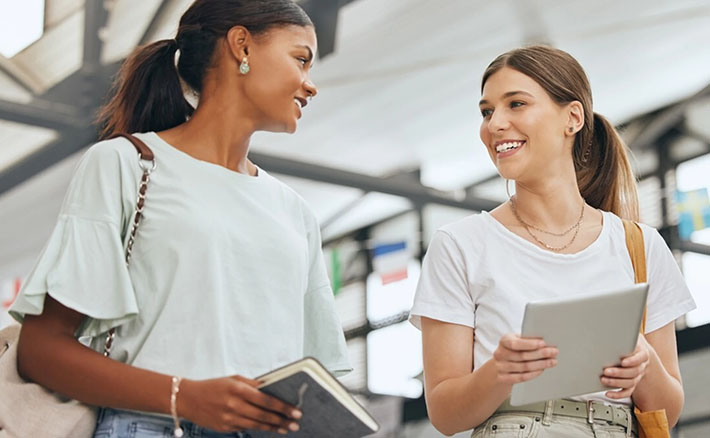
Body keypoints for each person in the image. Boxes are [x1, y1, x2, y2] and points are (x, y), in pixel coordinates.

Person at [9, 1, 351, 437]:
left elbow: (316, 378)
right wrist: (184, 396)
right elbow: (41, 351)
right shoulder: (125, 165)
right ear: (241, 46)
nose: (311, 85)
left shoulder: (295, 212)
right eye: (301, 59)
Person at [409, 45, 696, 437]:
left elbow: (668, 411)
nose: (494, 124)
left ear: (572, 118)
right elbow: (444, 413)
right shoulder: (459, 245)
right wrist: (500, 373)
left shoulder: (639, 245)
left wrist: (645, 365)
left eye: (516, 104)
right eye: (487, 111)